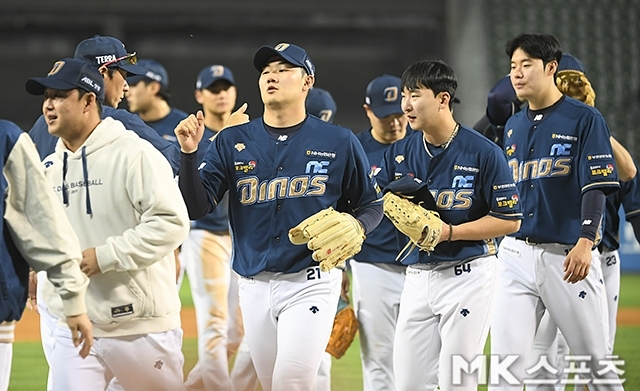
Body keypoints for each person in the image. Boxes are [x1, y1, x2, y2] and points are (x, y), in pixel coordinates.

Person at [175, 42, 382, 391]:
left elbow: (372, 204)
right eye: (266, 70)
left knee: (292, 381)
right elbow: (196, 206)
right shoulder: (232, 139)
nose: (272, 75)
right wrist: (189, 154)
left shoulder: (338, 141)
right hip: (253, 284)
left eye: (284, 69)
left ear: (307, 82)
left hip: (311, 280)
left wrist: (358, 225)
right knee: (272, 383)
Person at [26, 58, 190, 391]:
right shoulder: (52, 167)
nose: (48, 105)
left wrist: (104, 256)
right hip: (72, 324)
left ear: (88, 101)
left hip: (139, 328)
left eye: (60, 96)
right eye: (46, 96)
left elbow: (172, 223)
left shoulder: (135, 154)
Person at [372, 59, 522, 391]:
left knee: (458, 382)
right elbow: (371, 202)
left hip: (468, 275)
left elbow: (509, 220)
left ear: (442, 99)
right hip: (416, 277)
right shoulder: (398, 153)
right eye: (404, 96)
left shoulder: (483, 152)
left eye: (415, 95)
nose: (406, 106)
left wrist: (450, 232)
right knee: (408, 384)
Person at [489, 34, 623, 390]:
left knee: (596, 368)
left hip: (566, 257)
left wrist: (586, 239)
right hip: (515, 255)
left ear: (551, 68)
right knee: (505, 370)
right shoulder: (514, 125)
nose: (516, 74)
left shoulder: (584, 118)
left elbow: (596, 185)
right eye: (513, 67)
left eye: (526, 65)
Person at [0, 119, 92, 391]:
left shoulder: (7, 138)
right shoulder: (7, 136)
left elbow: (40, 221)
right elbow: (43, 222)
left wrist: (71, 298)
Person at [28, 35, 180, 173]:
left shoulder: (41, 125)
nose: (126, 86)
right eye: (124, 75)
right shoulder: (119, 121)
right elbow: (173, 164)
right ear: (103, 74)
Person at [182, 64, 240, 391]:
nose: (220, 93)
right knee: (215, 326)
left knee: (238, 333)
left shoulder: (245, 133)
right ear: (199, 96)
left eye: (226, 87)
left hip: (240, 239)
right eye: (213, 88)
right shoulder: (195, 136)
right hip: (205, 235)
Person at [352, 74, 409, 391]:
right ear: (368, 111)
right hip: (372, 267)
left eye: (399, 113)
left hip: (422, 268)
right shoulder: (355, 150)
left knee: (424, 360)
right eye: (386, 115)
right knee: (379, 361)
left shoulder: (423, 144)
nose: (395, 122)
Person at [125, 59, 189, 142]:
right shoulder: (126, 126)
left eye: (133, 85)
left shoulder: (186, 127)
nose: (127, 93)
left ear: (153, 88)